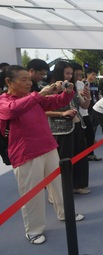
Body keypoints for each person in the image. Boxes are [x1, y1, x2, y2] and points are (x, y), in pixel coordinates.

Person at [0, 65, 84, 245]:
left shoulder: (32, 98)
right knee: (32, 194)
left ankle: (65, 212)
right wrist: (40, 94)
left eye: (29, 80)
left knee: (58, 185)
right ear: (8, 82)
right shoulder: (4, 101)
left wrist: (67, 92)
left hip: (48, 147)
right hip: (26, 153)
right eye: (24, 80)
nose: (29, 83)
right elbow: (13, 110)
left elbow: (56, 102)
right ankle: (34, 230)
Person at [46, 61, 91, 195]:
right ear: (59, 72)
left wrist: (87, 97)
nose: (70, 76)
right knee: (64, 160)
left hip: (77, 126)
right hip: (61, 129)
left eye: (71, 73)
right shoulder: (50, 89)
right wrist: (62, 113)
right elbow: (43, 110)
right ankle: (59, 191)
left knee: (80, 158)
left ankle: (77, 185)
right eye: (67, 73)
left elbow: (84, 106)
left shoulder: (73, 87)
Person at [71, 63, 102, 162]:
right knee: (80, 138)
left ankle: (90, 154)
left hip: (88, 111)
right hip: (75, 116)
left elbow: (87, 100)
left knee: (90, 134)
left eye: (80, 75)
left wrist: (86, 96)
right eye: (76, 75)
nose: (79, 77)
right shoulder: (67, 85)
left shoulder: (83, 84)